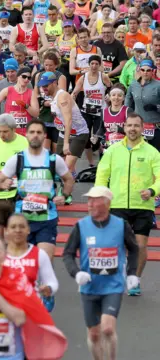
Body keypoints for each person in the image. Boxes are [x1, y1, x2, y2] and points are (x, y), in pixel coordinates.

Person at [63, 186, 140, 360]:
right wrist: (76, 273)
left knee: (107, 328)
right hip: (89, 287)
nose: (89, 204)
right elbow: (67, 253)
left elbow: (134, 249)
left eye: (94, 200)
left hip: (113, 285)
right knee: (94, 334)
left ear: (106, 202)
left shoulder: (121, 225)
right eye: (88, 200)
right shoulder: (81, 226)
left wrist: (132, 273)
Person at [95, 112, 160, 296]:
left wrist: (152, 191)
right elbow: (102, 174)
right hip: (117, 204)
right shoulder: (113, 150)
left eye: (136, 126)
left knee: (140, 246)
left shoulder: (152, 152)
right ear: (124, 127)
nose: (132, 129)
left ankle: (135, 280)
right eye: (129, 125)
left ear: (142, 128)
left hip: (143, 205)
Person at [0, 119, 75, 262]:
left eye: (39, 132)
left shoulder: (54, 159)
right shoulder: (17, 159)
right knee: (23, 262)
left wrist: (64, 195)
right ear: (26, 135)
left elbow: (69, 179)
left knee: (45, 260)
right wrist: (4, 184)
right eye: (32, 132)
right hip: (22, 219)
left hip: (47, 218)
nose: (35, 135)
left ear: (45, 135)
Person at [39, 71, 89, 190]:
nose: (44, 88)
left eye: (46, 85)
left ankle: (65, 194)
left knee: (65, 168)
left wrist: (66, 143)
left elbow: (68, 120)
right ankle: (71, 177)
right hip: (63, 133)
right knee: (59, 166)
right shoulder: (52, 97)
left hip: (78, 134)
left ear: (55, 83)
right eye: (42, 85)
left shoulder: (62, 96)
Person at [4, 212, 59, 312]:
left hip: (31, 311)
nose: (18, 230)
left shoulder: (39, 254)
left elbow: (52, 281)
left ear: (28, 229)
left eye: (22, 227)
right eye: (13, 227)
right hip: (6, 311)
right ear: (6, 230)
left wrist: (49, 288)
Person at [71, 55, 111, 166]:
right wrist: (71, 101)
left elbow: (111, 88)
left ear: (99, 65)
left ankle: (102, 163)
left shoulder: (104, 77)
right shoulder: (83, 77)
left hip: (100, 111)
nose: (94, 66)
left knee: (99, 138)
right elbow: (74, 92)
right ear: (89, 65)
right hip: (86, 111)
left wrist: (109, 96)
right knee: (86, 137)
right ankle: (91, 164)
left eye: (96, 64)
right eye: (92, 63)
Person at [0, 67, 39, 136]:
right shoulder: (8, 90)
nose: (26, 79)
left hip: (25, 132)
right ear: (18, 77)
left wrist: (26, 106)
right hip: (9, 130)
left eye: (29, 78)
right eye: (24, 77)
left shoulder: (31, 93)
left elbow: (36, 113)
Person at [125, 59, 160, 151]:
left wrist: (156, 107)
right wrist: (127, 114)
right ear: (139, 70)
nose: (145, 73)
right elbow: (128, 100)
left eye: (148, 70)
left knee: (156, 154)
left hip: (155, 127)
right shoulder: (133, 84)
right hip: (138, 127)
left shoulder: (158, 85)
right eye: (143, 70)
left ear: (153, 71)